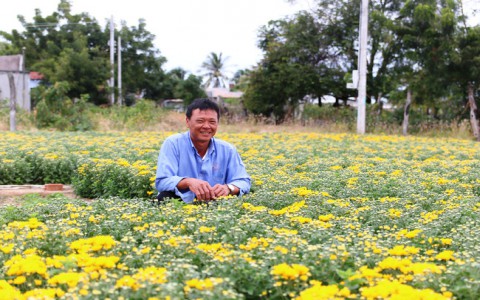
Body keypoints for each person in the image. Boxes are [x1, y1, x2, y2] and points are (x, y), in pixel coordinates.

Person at [155, 98, 251, 204]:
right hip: (180, 204)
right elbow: (162, 181)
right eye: (200, 121)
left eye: (212, 122)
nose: (206, 126)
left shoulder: (227, 149)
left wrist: (228, 188)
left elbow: (244, 181)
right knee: (164, 198)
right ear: (188, 121)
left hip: (215, 206)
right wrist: (188, 182)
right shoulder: (173, 143)